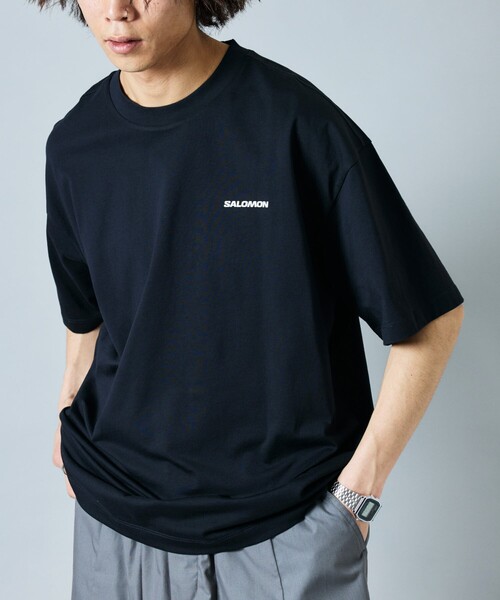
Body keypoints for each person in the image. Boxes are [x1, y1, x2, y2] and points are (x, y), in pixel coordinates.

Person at [34, 0, 465, 598]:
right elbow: (88, 315)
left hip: (286, 530)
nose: (117, 11)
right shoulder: (75, 145)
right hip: (116, 520)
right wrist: (69, 416)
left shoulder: (295, 124)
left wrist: (357, 495)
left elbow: (429, 319)